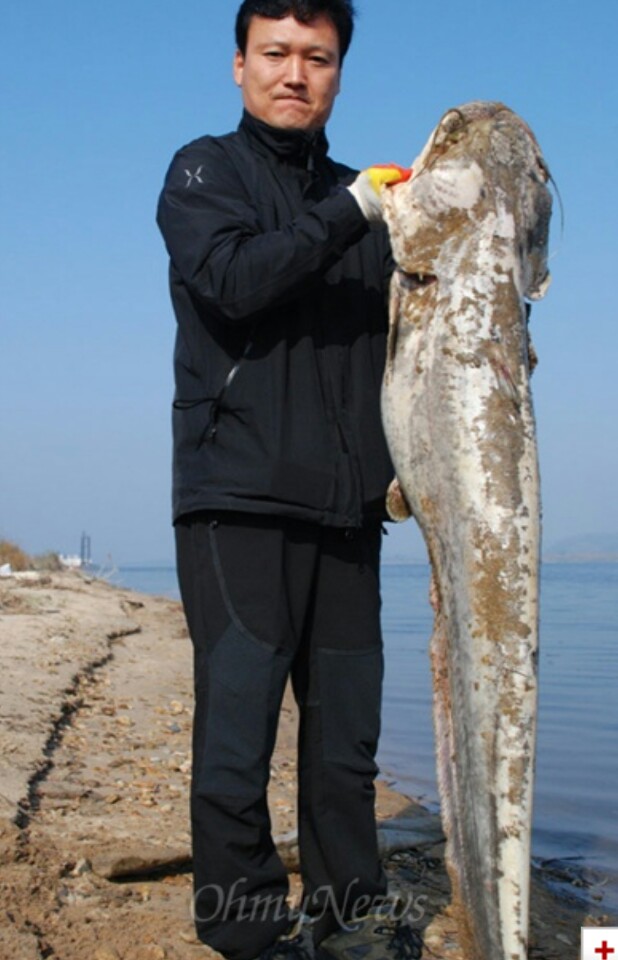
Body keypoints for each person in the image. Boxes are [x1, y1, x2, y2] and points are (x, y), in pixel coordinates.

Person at [157, 3, 418, 959]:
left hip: (350, 515)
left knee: (345, 753)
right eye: (276, 54)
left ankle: (352, 923)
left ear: (340, 70)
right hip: (237, 503)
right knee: (236, 743)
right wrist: (354, 212)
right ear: (239, 66)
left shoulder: (372, 200)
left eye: (319, 56)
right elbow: (232, 280)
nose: (295, 74)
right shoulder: (203, 171)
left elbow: (416, 343)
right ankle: (253, 935)